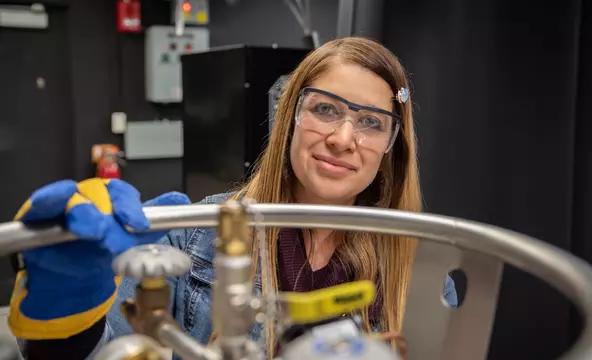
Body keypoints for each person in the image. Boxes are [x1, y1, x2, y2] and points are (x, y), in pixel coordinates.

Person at [8, 37, 456, 359]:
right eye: (325, 109)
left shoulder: (419, 268)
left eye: (371, 123)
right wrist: (68, 323)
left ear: (391, 144)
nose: (342, 138)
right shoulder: (190, 235)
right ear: (291, 118)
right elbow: (115, 352)